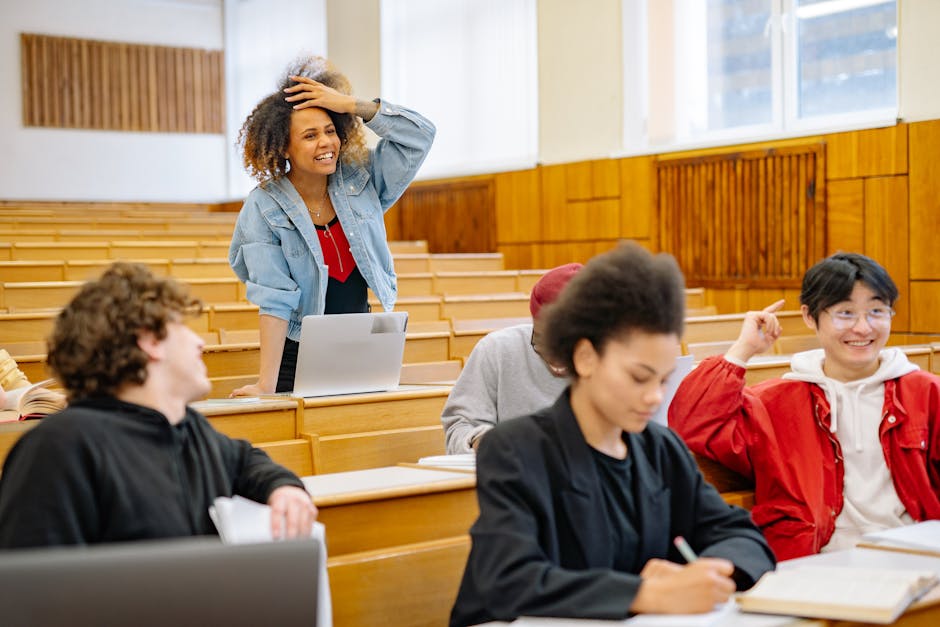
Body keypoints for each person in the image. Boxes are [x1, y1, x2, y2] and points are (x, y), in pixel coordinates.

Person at [450, 243, 775, 626]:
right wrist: (645, 594)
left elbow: (741, 535)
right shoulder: (516, 449)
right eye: (639, 377)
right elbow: (508, 580)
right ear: (585, 357)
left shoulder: (660, 448)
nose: (655, 398)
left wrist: (713, 573)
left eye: (663, 379)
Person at [0, 262, 317, 549]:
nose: (199, 343)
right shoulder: (59, 447)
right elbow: (34, 593)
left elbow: (245, 461)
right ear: (149, 341)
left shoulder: (187, 428)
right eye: (181, 327)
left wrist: (283, 488)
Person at [669, 252, 940, 561]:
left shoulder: (925, 393)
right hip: (813, 560)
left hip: (914, 555)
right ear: (810, 317)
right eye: (845, 313)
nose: (863, 328)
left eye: (877, 311)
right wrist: (743, 350)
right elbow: (692, 423)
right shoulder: (777, 403)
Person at [228, 55, 435, 396]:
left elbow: (420, 136)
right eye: (310, 135)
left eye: (330, 131)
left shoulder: (362, 179)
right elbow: (274, 301)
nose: (326, 143)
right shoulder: (263, 207)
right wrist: (265, 385)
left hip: (364, 344)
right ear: (283, 148)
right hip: (298, 356)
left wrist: (351, 105)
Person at [441, 262, 582, 454]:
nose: (555, 360)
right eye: (541, 340)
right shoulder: (496, 349)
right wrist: (484, 440)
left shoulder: (610, 363)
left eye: (566, 347)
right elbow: (459, 426)